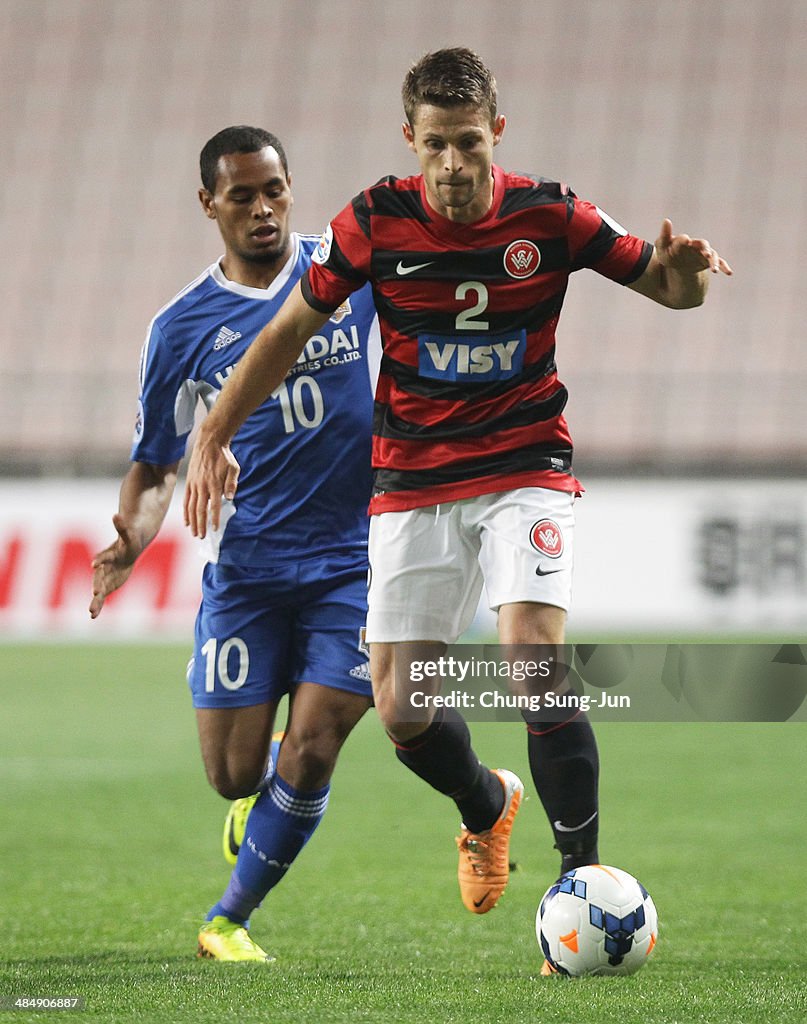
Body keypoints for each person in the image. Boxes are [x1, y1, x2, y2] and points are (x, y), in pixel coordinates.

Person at [183, 49, 732, 946]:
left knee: (531, 662)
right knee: (402, 708)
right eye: (434, 145)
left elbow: (670, 290)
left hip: (524, 467)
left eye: (467, 143)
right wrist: (211, 432)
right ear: (410, 140)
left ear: (495, 135)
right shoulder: (373, 222)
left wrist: (688, 272)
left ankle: (576, 885)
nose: (451, 165)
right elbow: (287, 330)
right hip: (411, 482)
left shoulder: (551, 214)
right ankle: (487, 804)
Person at [90, 125, 380, 962]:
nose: (262, 209)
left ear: (292, 188)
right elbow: (154, 463)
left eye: (275, 190)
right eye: (242, 195)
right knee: (232, 773)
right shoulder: (180, 328)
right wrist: (134, 538)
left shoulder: (345, 273)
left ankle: (229, 919)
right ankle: (258, 799)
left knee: (316, 738)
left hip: (353, 559)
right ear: (208, 203)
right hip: (249, 568)